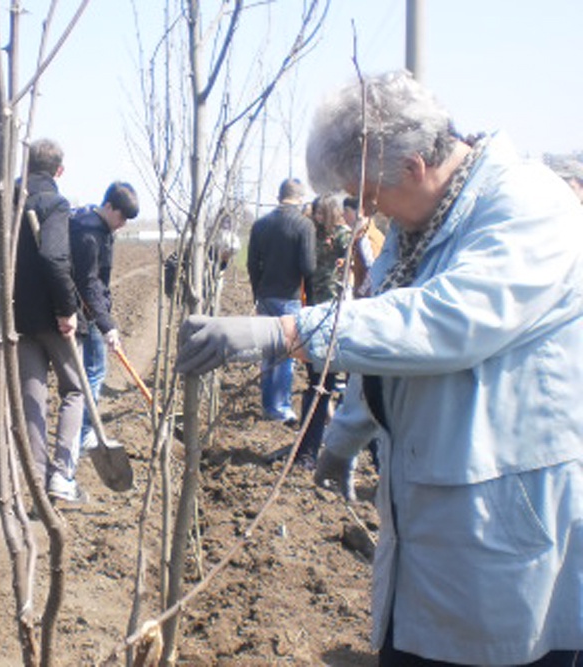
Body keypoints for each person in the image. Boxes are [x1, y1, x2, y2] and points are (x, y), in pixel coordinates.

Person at [176, 70, 583, 666]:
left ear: (414, 165)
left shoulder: (527, 206)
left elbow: (442, 324)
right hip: (436, 505)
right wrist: (344, 437)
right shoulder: (422, 222)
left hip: (504, 512)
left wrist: (287, 332)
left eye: (367, 197)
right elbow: (385, 340)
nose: (364, 214)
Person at [14, 138, 88, 503]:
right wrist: (66, 309)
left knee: (32, 397)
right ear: (59, 170)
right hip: (51, 317)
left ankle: (36, 478)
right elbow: (54, 258)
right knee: (75, 389)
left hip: (18, 317)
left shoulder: (9, 201)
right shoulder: (54, 202)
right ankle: (61, 476)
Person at [70, 181, 140, 453]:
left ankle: (83, 431)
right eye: (121, 216)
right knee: (95, 371)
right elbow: (88, 283)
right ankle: (86, 434)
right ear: (108, 206)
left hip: (90, 307)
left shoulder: (100, 226)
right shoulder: (89, 233)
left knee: (90, 372)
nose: (122, 223)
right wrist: (106, 325)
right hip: (84, 310)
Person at [245, 177, 316, 425]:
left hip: (265, 294)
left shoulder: (261, 225)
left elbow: (252, 264)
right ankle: (281, 408)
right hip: (290, 297)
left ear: (279, 196)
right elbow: (308, 266)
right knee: (286, 353)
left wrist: (258, 292)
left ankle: (268, 405)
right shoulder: (304, 226)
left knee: (268, 351)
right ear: (300, 198)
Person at [295, 194, 350, 469]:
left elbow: (356, 261)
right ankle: (309, 448)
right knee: (318, 380)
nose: (315, 216)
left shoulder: (344, 236)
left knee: (330, 383)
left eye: (319, 212)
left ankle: (321, 445)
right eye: (314, 212)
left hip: (335, 310)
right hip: (312, 306)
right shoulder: (310, 233)